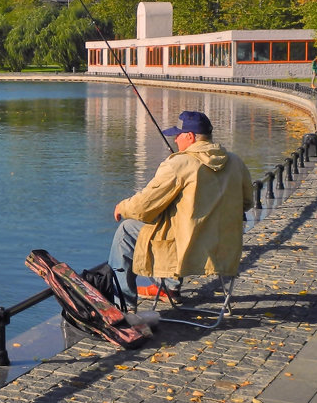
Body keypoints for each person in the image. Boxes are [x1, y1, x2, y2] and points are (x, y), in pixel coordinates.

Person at [108, 110, 254, 309]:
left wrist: (122, 207)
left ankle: (122, 306)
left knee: (127, 231)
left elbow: (144, 206)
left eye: (178, 135)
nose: (175, 139)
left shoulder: (180, 163)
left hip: (189, 249)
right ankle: (169, 288)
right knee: (177, 222)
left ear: (190, 137)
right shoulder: (235, 161)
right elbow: (246, 202)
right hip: (223, 249)